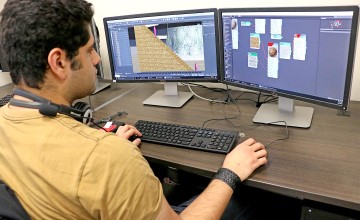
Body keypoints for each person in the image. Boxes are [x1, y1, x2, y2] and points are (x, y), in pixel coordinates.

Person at [0, 0, 268, 219]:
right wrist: (230, 172)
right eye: (90, 50)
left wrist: (108, 154)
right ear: (59, 61)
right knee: (253, 200)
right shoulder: (106, 157)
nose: (96, 59)